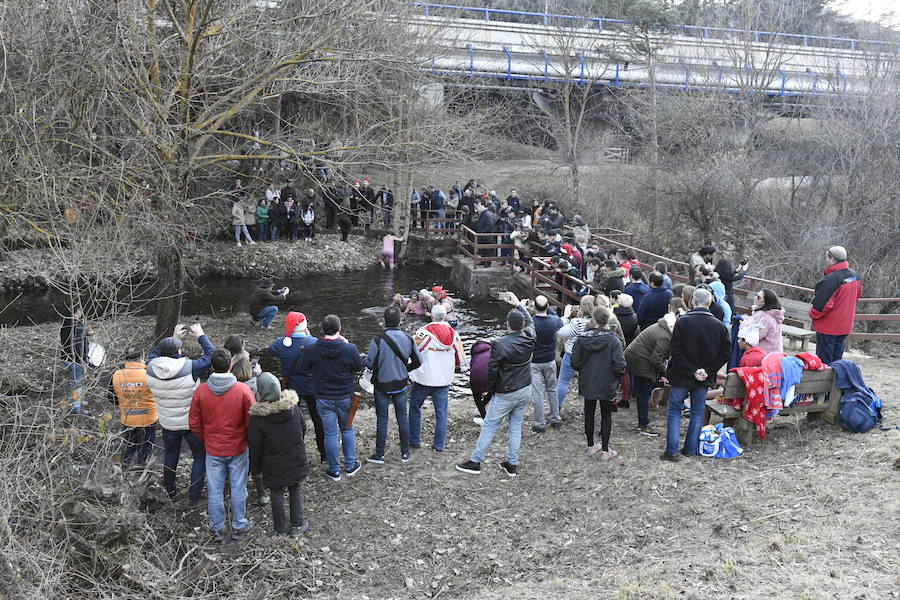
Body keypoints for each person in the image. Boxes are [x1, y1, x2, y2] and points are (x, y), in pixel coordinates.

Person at [457, 292, 535, 476]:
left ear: (507, 325)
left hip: (506, 391)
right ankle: (511, 464)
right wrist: (518, 305)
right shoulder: (531, 336)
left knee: (490, 425)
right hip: (525, 388)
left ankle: (475, 462)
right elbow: (531, 321)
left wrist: (489, 392)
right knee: (515, 426)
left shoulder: (499, 344)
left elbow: (491, 371)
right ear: (522, 325)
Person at [189, 349, 255, 542]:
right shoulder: (243, 390)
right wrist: (246, 439)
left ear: (211, 367)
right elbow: (252, 421)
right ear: (230, 366)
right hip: (238, 448)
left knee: (215, 490)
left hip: (213, 449)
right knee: (238, 488)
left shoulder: (201, 391)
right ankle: (239, 525)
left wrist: (206, 438)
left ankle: (218, 528)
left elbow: (193, 422)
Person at [146, 323, 215, 505]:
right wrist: (201, 335)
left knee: (170, 456)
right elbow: (212, 356)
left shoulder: (151, 367)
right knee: (200, 456)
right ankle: (194, 496)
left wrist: (173, 336)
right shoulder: (189, 367)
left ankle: (171, 493)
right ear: (179, 351)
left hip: (168, 423)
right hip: (191, 424)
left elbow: (153, 354)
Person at [661, 288, 731, 461]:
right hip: (703, 377)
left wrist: (695, 370)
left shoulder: (683, 322)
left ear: (693, 301)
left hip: (682, 374)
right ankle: (690, 448)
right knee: (697, 412)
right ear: (709, 303)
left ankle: (672, 451)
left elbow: (675, 351)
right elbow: (725, 353)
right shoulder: (719, 326)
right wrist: (707, 370)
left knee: (675, 411)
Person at [297, 314, 365, 481]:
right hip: (344, 396)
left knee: (330, 434)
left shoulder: (312, 348)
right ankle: (350, 466)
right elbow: (359, 367)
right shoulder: (349, 348)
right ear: (339, 329)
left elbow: (304, 367)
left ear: (322, 329)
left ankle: (334, 470)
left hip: (323, 397)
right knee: (347, 429)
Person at [248, 372, 310, 538]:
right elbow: (303, 428)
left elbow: (255, 446)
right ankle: (297, 525)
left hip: (273, 464)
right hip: (295, 457)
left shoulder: (257, 419)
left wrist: (255, 468)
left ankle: (279, 530)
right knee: (295, 487)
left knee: (276, 492)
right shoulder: (293, 406)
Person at [365, 307, 423, 465]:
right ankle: (405, 453)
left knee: (382, 419)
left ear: (384, 321)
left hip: (381, 385)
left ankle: (380, 454)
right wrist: (406, 369)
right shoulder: (408, 338)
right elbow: (419, 361)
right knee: (402, 418)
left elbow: (370, 364)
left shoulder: (377, 340)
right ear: (400, 320)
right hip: (401, 384)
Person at [408, 305, 466, 452]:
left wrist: (408, 370)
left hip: (424, 378)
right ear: (445, 316)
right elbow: (461, 358)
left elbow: (412, 352)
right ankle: (439, 444)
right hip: (443, 379)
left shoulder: (423, 333)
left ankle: (414, 440)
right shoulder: (454, 334)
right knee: (441, 413)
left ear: (432, 316)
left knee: (415, 408)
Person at [571, 307, 626, 460]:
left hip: (588, 380)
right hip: (607, 381)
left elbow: (574, 362)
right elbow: (620, 365)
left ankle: (590, 445)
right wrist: (617, 376)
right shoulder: (614, 340)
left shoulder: (582, 340)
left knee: (588, 412)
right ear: (609, 320)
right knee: (606, 413)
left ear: (593, 320)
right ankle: (606, 450)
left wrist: (585, 369)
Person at [624, 298, 682, 437]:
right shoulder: (665, 337)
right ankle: (643, 424)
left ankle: (642, 420)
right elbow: (655, 359)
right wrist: (664, 371)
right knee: (644, 392)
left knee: (642, 391)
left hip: (635, 356)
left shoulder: (663, 327)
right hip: (639, 360)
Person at [810, 245, 862, 364]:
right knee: (837, 361)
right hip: (845, 325)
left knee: (824, 362)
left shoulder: (831, 280)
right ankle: (836, 382)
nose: (826, 260)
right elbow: (856, 296)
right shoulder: (854, 276)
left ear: (832, 259)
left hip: (829, 327)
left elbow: (822, 306)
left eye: (826, 258)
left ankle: (825, 383)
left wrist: (812, 314)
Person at [108, 345, 157, 468]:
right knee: (146, 445)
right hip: (148, 418)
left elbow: (111, 397)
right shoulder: (149, 374)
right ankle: (143, 468)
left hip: (128, 417)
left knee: (129, 444)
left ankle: (125, 468)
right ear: (142, 357)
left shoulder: (117, 374)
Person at [555, 295, 595, 408]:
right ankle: (589, 408)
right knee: (590, 383)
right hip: (590, 356)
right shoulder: (597, 322)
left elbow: (561, 332)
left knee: (563, 381)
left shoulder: (577, 323)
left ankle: (557, 407)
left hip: (572, 355)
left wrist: (565, 317)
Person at [530, 295, 563, 432]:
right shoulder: (555, 321)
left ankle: (539, 423)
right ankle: (555, 419)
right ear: (548, 307)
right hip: (550, 360)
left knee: (537, 393)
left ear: (534, 307)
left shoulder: (531, 322)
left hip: (534, 362)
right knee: (552, 390)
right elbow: (558, 319)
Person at [60, 303, 91, 413]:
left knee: (74, 382)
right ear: (77, 311)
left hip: (66, 357)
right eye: (81, 311)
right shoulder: (77, 325)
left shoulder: (66, 323)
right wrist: (85, 359)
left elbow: (72, 337)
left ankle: (74, 403)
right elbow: (78, 344)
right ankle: (76, 408)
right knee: (77, 384)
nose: (82, 313)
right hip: (76, 360)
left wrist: (86, 333)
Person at [739, 289, 785, 355]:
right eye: (756, 295)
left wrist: (742, 325)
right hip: (774, 353)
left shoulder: (763, 316)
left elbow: (754, 335)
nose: (755, 298)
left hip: (763, 355)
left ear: (765, 302)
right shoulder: (773, 314)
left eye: (758, 298)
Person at [469, 339, 492, 425]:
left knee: (476, 395)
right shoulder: (492, 351)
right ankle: (481, 410)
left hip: (475, 376)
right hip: (490, 375)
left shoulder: (474, 353)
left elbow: (472, 366)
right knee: (492, 391)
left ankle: (484, 418)